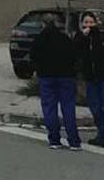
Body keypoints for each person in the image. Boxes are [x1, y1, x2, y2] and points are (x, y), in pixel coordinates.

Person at [30, 13, 81, 150]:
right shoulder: (64, 38)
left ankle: (54, 139)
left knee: (50, 108)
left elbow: (33, 56)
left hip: (47, 77)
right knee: (68, 108)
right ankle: (74, 141)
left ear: (43, 24)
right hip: (66, 76)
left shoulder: (39, 39)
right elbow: (74, 55)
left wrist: (39, 69)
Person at [73, 11, 104, 148]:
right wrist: (82, 37)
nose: (89, 25)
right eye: (86, 23)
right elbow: (75, 51)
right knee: (95, 106)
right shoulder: (81, 38)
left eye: (91, 22)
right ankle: (101, 132)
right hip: (91, 77)